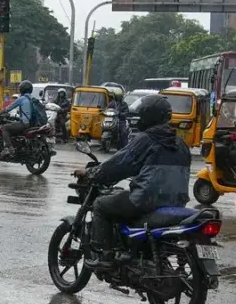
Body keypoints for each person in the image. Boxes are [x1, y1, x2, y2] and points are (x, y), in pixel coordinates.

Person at [77, 94, 192, 269]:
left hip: (145, 201)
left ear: (149, 116)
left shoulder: (147, 139)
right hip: (177, 203)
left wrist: (91, 172)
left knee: (101, 205)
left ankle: (106, 256)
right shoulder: (181, 143)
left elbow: (118, 165)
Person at [0, 79, 36, 159]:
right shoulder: (33, 99)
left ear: (22, 89)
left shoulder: (22, 98)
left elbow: (8, 108)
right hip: (33, 124)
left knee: (4, 128)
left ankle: (9, 148)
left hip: (24, 124)